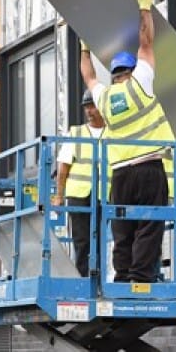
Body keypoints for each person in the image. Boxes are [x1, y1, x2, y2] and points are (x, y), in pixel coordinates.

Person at [79, 0, 175, 283]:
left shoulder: (105, 98)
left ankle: (122, 276)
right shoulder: (141, 84)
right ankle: (141, 276)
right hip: (148, 168)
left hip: (119, 174)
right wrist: (144, 8)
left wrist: (85, 49)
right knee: (149, 224)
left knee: (122, 226)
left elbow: (88, 76)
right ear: (131, 70)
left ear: (114, 74)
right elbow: (146, 42)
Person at [52, 89, 106, 277]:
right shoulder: (77, 132)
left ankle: (99, 279)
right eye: (86, 107)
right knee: (82, 241)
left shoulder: (113, 133)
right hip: (78, 195)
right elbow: (63, 167)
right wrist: (59, 196)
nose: (89, 111)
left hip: (104, 194)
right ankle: (84, 279)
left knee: (101, 239)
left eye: (93, 106)